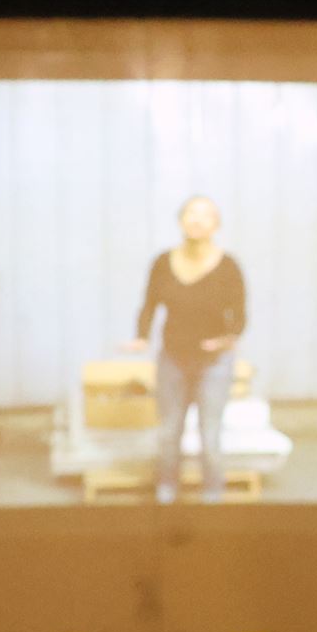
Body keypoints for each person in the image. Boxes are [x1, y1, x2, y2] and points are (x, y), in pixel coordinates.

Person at [127, 194, 247, 503]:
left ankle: (212, 497)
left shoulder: (229, 266)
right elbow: (150, 304)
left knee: (210, 435)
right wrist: (141, 337)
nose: (197, 219)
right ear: (180, 221)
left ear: (216, 224)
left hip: (214, 363)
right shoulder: (163, 262)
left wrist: (226, 339)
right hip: (173, 359)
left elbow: (240, 315)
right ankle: (166, 493)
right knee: (168, 433)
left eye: (205, 215)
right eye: (190, 214)